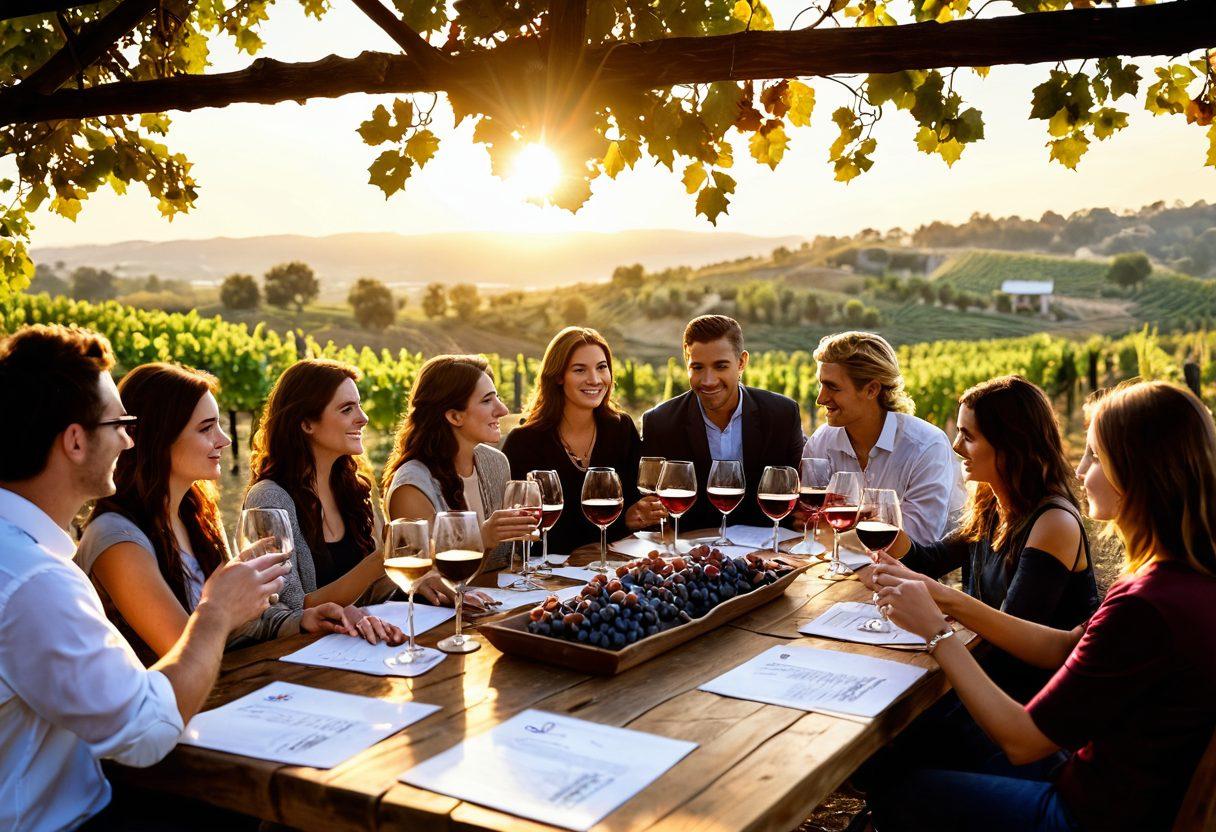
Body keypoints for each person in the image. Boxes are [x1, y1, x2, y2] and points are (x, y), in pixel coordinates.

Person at [867, 380, 1216, 831]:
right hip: (1109, 785)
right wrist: (939, 597)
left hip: (1086, 812)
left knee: (901, 790)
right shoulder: (1178, 578)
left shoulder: (1145, 604)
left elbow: (1022, 741)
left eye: (1093, 455)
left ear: (1133, 472)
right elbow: (1067, 645)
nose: (1079, 467)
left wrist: (937, 632)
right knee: (907, 747)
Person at [0, 325, 287, 830]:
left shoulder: (24, 557)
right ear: (74, 441)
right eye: (119, 423)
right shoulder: (35, 581)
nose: (128, 439)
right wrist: (215, 613)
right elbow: (146, 732)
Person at [75, 363, 351, 664]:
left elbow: (238, 625)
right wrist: (230, 602)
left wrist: (301, 620)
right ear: (160, 437)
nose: (224, 440)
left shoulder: (196, 515)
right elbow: (182, 652)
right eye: (206, 428)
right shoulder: (117, 540)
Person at [863, 375, 1098, 702]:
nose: (957, 447)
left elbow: (1014, 638)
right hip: (988, 679)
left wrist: (941, 599)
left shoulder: (1053, 522)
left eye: (968, 436)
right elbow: (927, 562)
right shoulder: (992, 503)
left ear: (1010, 445)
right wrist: (883, 526)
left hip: (1027, 701)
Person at [244, 359, 405, 644]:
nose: (363, 417)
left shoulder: (353, 488)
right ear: (306, 423)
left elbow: (371, 593)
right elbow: (290, 610)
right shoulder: (270, 498)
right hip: (308, 659)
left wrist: (424, 583)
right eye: (347, 409)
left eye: (359, 405)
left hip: (360, 644)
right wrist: (382, 561)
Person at [502, 327, 665, 554]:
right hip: (550, 573)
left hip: (614, 564)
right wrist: (622, 522)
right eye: (580, 370)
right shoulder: (524, 442)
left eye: (602, 367)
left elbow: (635, 507)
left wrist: (643, 513)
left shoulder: (620, 429)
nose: (595, 380)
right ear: (558, 376)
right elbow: (525, 534)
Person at [641, 315, 804, 531]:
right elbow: (654, 513)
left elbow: (799, 495)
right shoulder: (660, 422)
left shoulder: (782, 414)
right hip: (694, 553)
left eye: (720, 366)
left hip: (767, 552)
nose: (708, 380)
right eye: (697, 367)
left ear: (741, 362)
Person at [802, 330, 964, 543]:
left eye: (832, 387)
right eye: (820, 384)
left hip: (911, 574)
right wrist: (865, 519)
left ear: (871, 390)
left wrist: (841, 525)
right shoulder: (821, 442)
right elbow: (809, 523)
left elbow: (917, 539)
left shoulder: (926, 446)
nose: (820, 399)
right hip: (841, 569)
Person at [383, 354, 536, 575]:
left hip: (499, 602)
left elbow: (505, 560)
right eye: (487, 400)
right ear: (454, 416)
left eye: (498, 397)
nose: (502, 410)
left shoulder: (496, 463)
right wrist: (483, 537)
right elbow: (426, 576)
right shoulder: (412, 487)